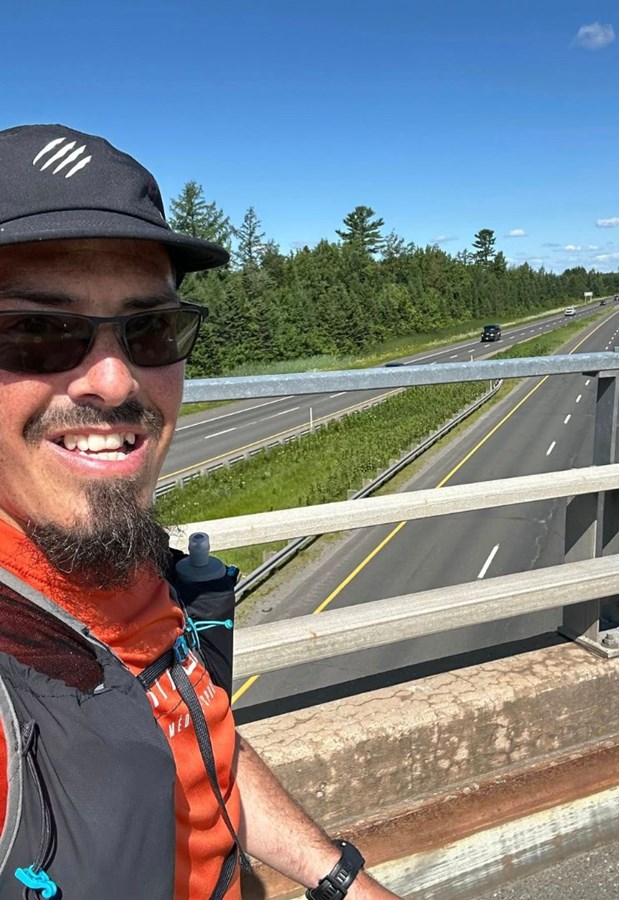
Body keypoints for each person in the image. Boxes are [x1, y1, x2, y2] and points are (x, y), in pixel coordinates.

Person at [0, 125, 398, 898]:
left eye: (150, 328)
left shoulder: (127, 563)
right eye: (39, 330)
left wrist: (341, 880)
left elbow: (202, 744)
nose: (115, 382)